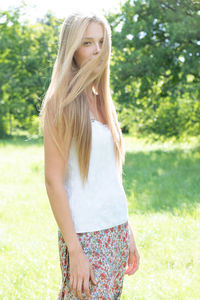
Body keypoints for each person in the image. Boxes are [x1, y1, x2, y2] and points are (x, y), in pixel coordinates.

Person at [39, 10, 140, 300]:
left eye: (101, 41)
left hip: (116, 229)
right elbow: (53, 182)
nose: (97, 50)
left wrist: (127, 229)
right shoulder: (62, 104)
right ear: (72, 50)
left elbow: (109, 176)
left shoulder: (102, 102)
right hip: (86, 236)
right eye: (87, 43)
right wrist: (75, 251)